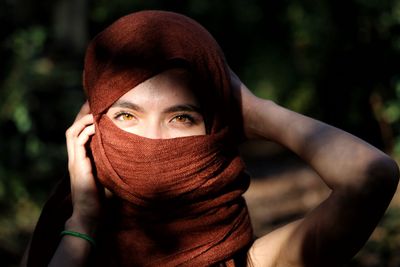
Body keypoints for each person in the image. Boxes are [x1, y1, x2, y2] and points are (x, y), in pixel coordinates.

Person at [22, 10, 399, 267]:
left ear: (217, 128)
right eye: (126, 115)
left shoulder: (253, 260)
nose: (153, 140)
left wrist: (253, 109)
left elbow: (370, 177)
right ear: (93, 127)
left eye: (182, 117)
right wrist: (82, 223)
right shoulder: (61, 242)